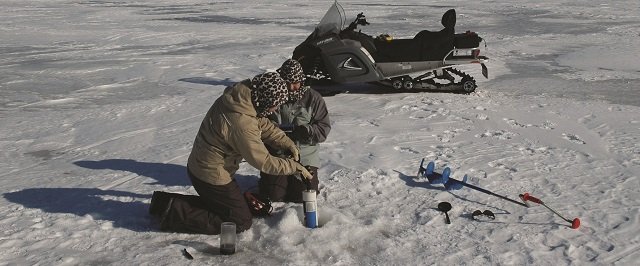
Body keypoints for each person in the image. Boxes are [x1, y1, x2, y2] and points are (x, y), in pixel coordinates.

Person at [149, 71, 314, 235]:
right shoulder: (240, 122)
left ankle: (164, 202)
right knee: (239, 221)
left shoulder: (242, 100)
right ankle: (171, 212)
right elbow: (263, 161)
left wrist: (286, 142)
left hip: (205, 166)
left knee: (230, 208)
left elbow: (261, 123)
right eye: (274, 104)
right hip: (210, 175)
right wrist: (294, 167)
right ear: (264, 100)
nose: (275, 109)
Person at [258, 59, 331, 203]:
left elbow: (324, 128)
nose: (292, 87)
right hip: (277, 155)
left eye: (295, 82)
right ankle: (271, 180)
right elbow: (259, 123)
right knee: (274, 197)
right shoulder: (273, 95)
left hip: (305, 155)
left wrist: (307, 131)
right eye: (287, 83)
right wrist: (274, 132)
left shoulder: (314, 98)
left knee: (302, 197)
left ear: (301, 80)